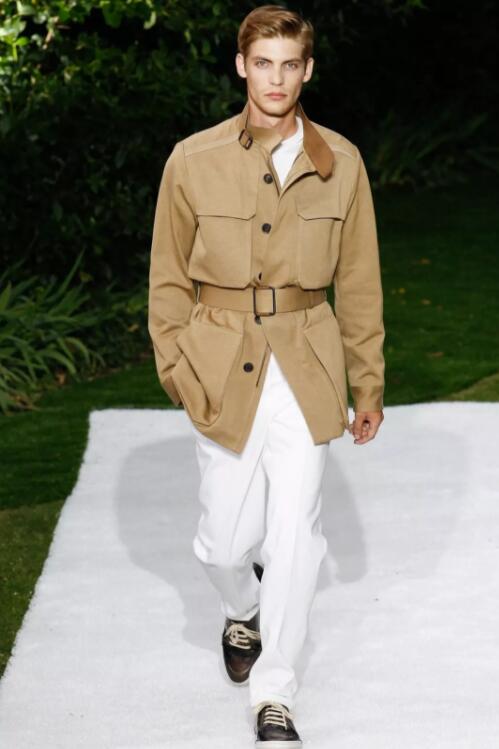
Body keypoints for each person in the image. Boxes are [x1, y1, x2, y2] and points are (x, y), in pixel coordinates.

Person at [148, 5, 385, 746]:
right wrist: (176, 366)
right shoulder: (192, 160)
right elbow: (166, 278)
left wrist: (368, 384)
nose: (275, 79)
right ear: (241, 66)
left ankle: (274, 692)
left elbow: (359, 281)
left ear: (306, 70)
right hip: (221, 363)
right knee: (225, 543)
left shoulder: (341, 163)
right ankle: (239, 609)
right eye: (262, 63)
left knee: (294, 537)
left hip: (307, 365)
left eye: (289, 65)